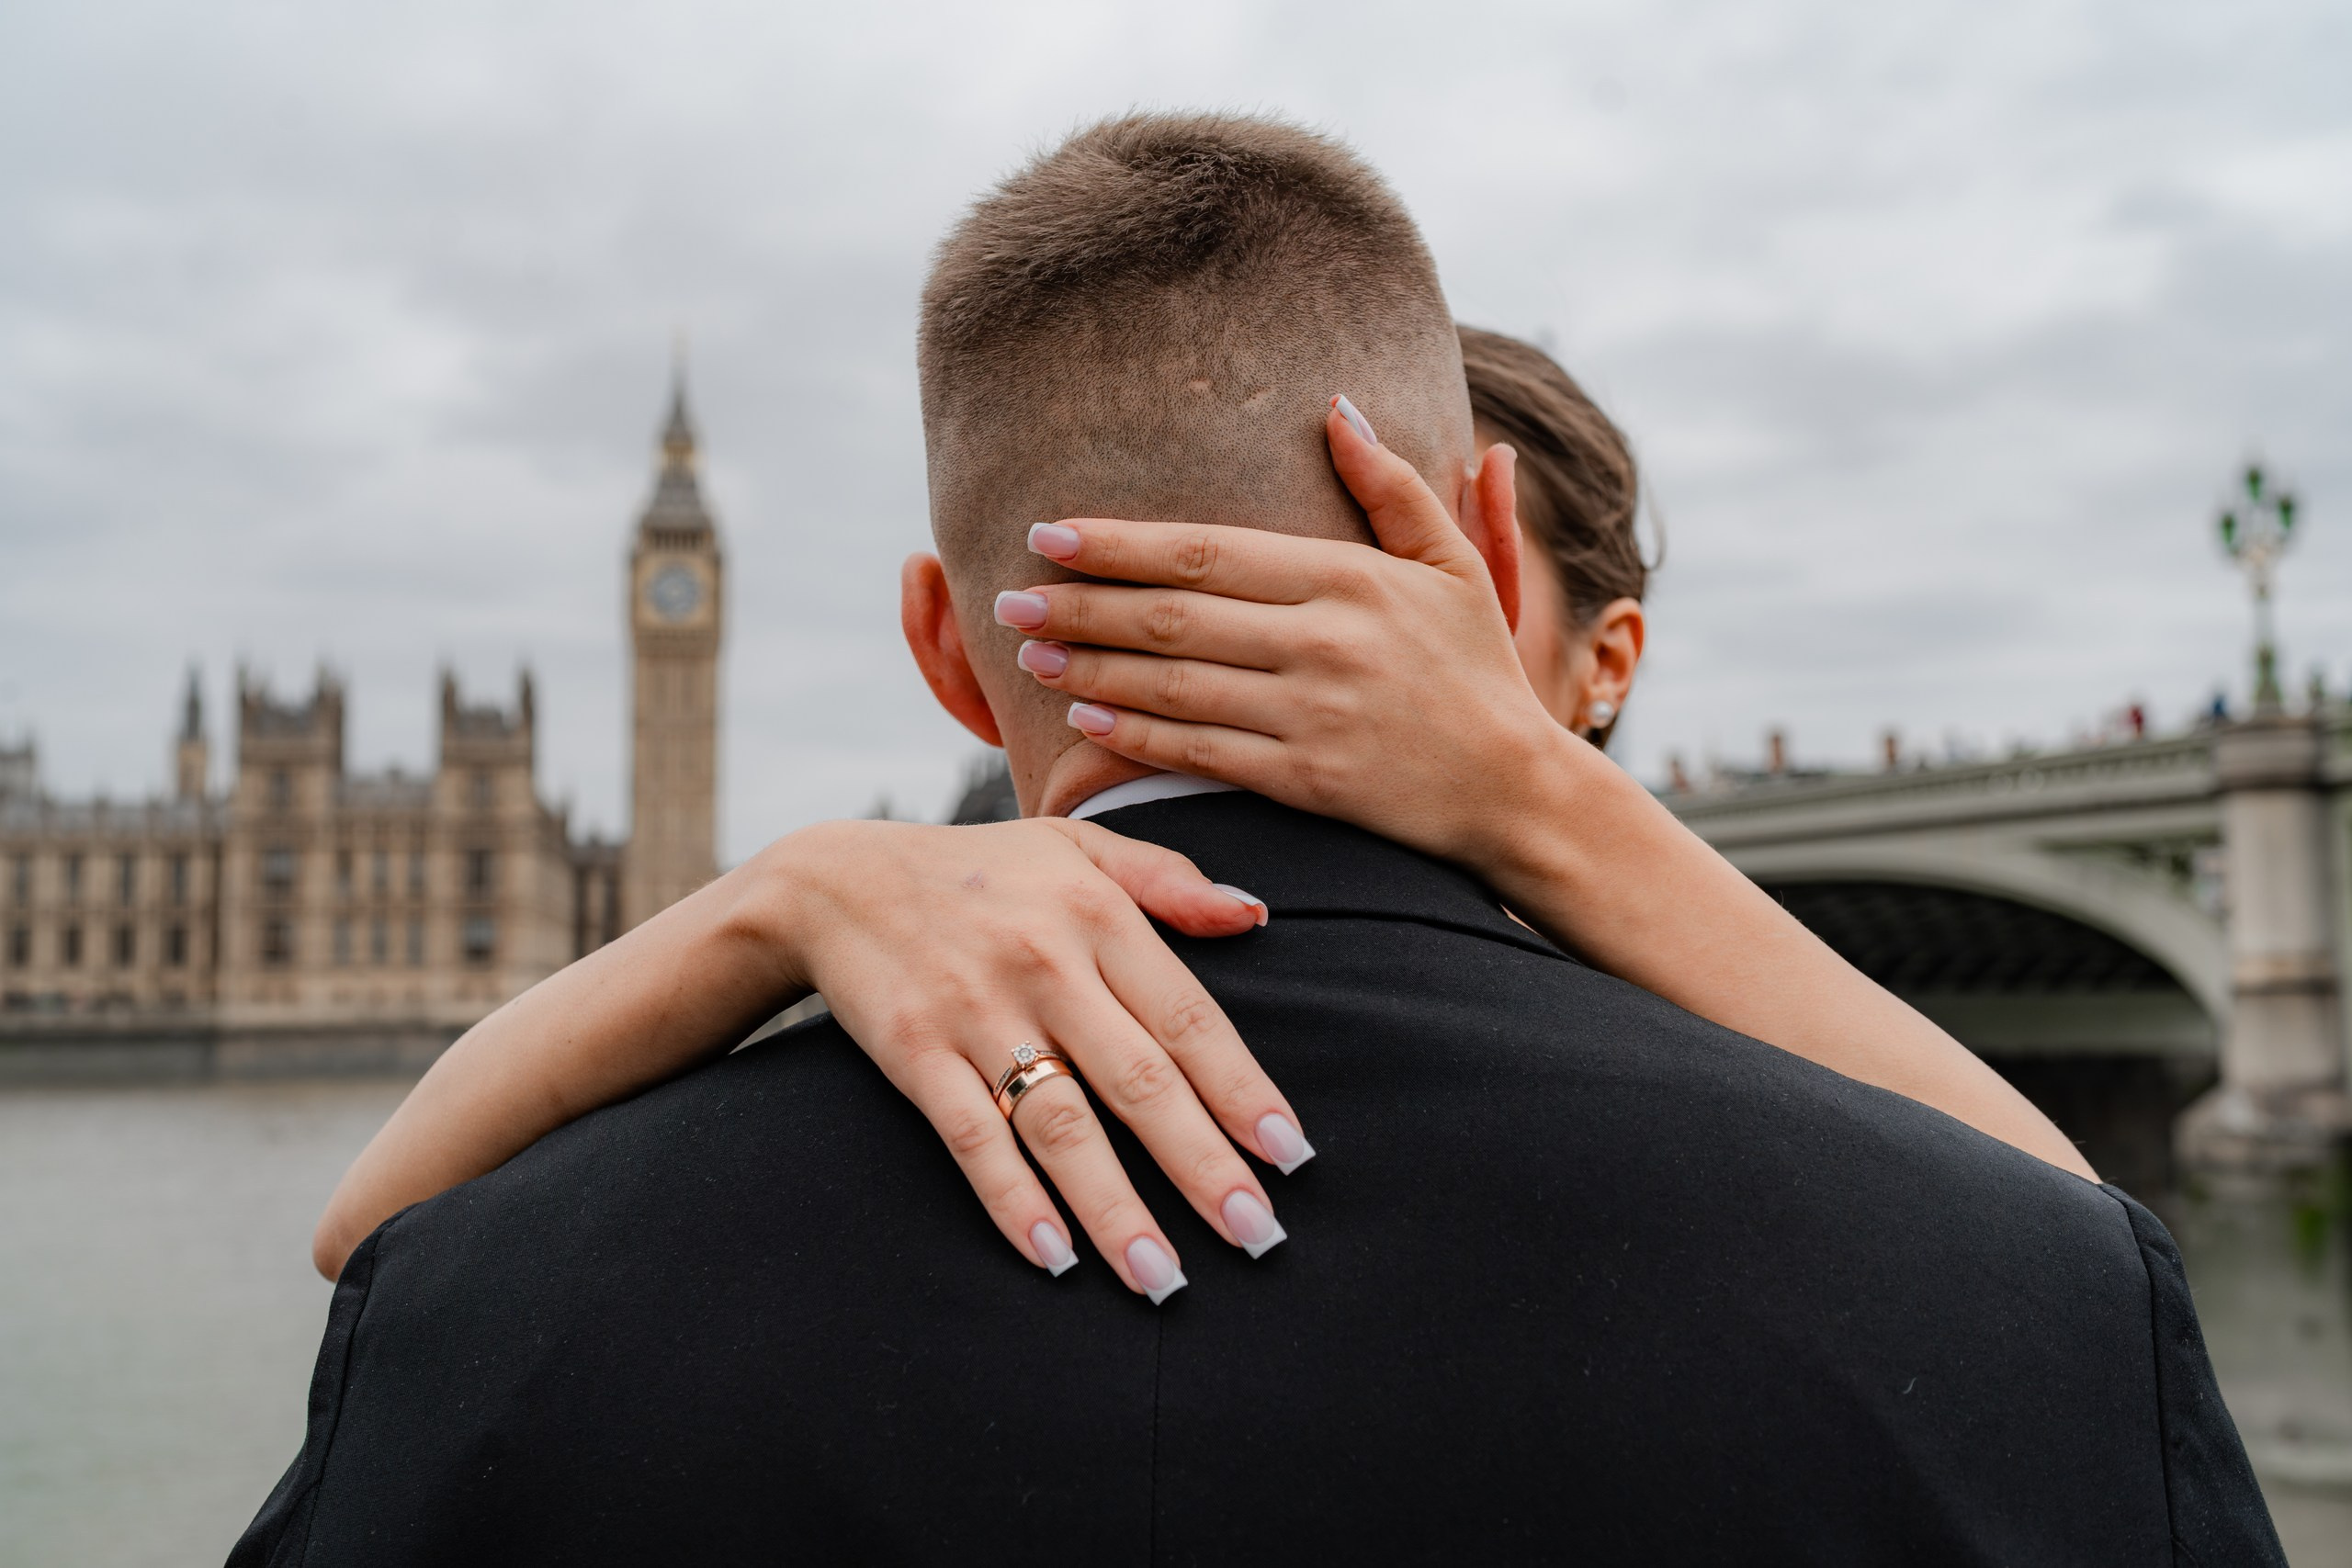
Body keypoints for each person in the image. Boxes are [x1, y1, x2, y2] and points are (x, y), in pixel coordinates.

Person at [241, 113, 2278, 1565]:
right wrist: (1539, 792)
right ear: (1486, 550)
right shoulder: (2022, 1297)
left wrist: (774, 889)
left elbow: (367, 1240)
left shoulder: (473, 1300)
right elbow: (2081, 1263)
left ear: (945, 652)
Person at [306, 324, 2090, 1297]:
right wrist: (792, 893)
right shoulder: (1866, 1216)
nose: (1286, 668)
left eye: (1386, 595)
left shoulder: (575, 1272)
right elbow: (2071, 1273)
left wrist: (1527, 792)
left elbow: (377, 1254)